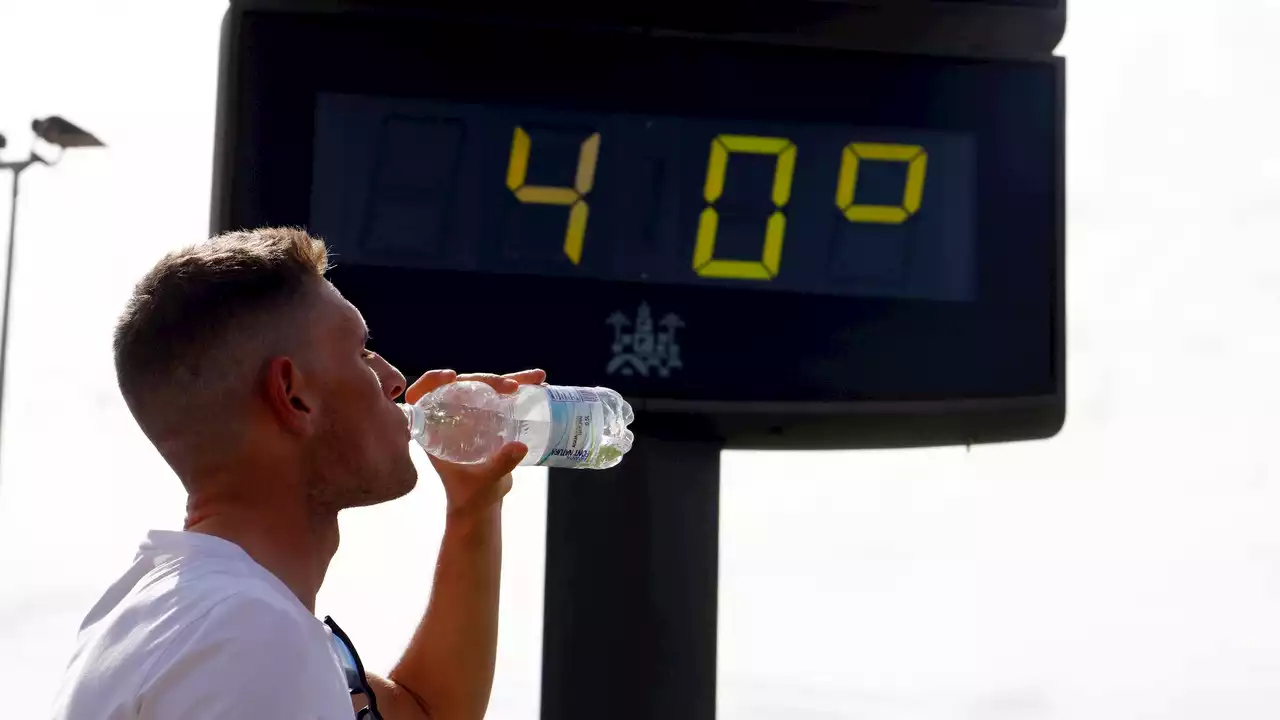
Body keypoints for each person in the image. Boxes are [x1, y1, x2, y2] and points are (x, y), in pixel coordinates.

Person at [50, 227, 540, 719]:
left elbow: (425, 711)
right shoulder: (249, 635)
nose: (396, 380)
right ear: (293, 395)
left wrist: (474, 509)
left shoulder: (166, 614)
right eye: (362, 354)